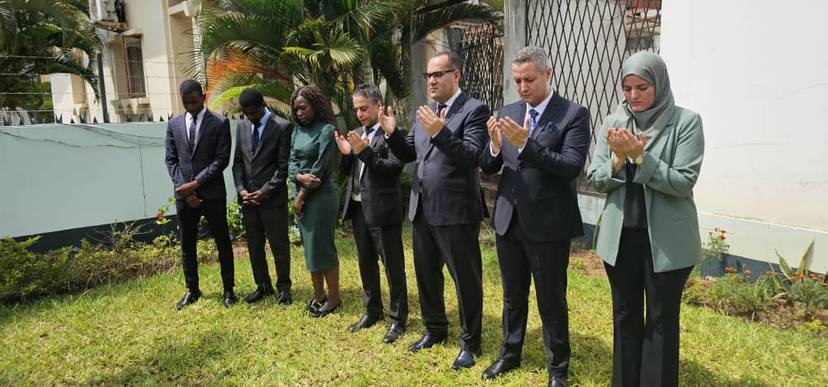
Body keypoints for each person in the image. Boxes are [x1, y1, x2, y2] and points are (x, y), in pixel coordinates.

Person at [586, 51, 705, 387]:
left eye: (642, 87)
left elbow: (683, 181)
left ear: (660, 85)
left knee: (661, 320)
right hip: (621, 239)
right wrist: (618, 162)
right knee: (624, 315)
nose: (634, 96)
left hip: (666, 243)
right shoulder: (614, 123)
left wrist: (641, 156)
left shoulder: (686, 122)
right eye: (627, 87)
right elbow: (595, 177)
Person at [479, 46, 590, 387]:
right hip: (508, 218)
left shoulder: (572, 114)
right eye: (517, 81)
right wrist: (496, 145)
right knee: (513, 294)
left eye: (529, 79)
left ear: (547, 74)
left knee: (551, 298)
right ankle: (509, 353)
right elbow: (488, 164)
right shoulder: (509, 110)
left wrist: (528, 145)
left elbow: (571, 166)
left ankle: (558, 368)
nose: (523, 87)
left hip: (548, 223)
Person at [382, 51, 489, 369]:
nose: (432, 80)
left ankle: (471, 342)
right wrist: (391, 133)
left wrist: (441, 132)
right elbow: (410, 152)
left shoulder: (474, 110)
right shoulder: (426, 111)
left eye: (438, 74)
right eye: (429, 75)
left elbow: (472, 155)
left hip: (456, 210)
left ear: (456, 75)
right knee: (427, 275)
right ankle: (435, 329)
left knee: (465, 278)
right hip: (422, 208)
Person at [334, 84, 409, 343]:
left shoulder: (393, 135)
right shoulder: (356, 133)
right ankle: (372, 310)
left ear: (379, 106)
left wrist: (363, 152)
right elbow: (348, 172)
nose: (360, 114)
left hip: (383, 209)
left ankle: (398, 319)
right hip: (358, 208)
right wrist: (346, 155)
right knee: (366, 262)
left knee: (392, 266)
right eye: (356, 109)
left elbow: (392, 168)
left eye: (364, 108)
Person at [164, 79, 236, 310]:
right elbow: (171, 159)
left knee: (223, 242)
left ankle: (229, 291)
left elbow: (221, 160)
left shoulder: (220, 123)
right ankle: (192, 290)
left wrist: (195, 185)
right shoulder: (174, 124)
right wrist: (185, 190)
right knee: (187, 243)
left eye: (194, 102)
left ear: (203, 96)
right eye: (186, 103)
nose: (190, 107)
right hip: (184, 196)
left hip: (213, 194)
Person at [232, 88, 293, 305]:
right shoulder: (241, 127)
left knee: (279, 245)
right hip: (249, 201)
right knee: (255, 246)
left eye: (252, 113)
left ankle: (284, 288)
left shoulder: (282, 127)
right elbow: (237, 162)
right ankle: (263, 286)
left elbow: (283, 166)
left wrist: (265, 191)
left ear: (261, 106)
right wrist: (241, 190)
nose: (249, 117)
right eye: (246, 113)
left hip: (273, 200)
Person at [288, 85, 341, 318]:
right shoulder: (296, 131)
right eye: (296, 109)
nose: (299, 113)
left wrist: (300, 196)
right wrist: (298, 176)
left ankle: (334, 296)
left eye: (303, 108)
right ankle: (318, 293)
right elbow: (290, 163)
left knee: (323, 247)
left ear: (315, 106)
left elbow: (321, 168)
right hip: (301, 195)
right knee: (310, 248)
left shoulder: (327, 130)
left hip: (320, 198)